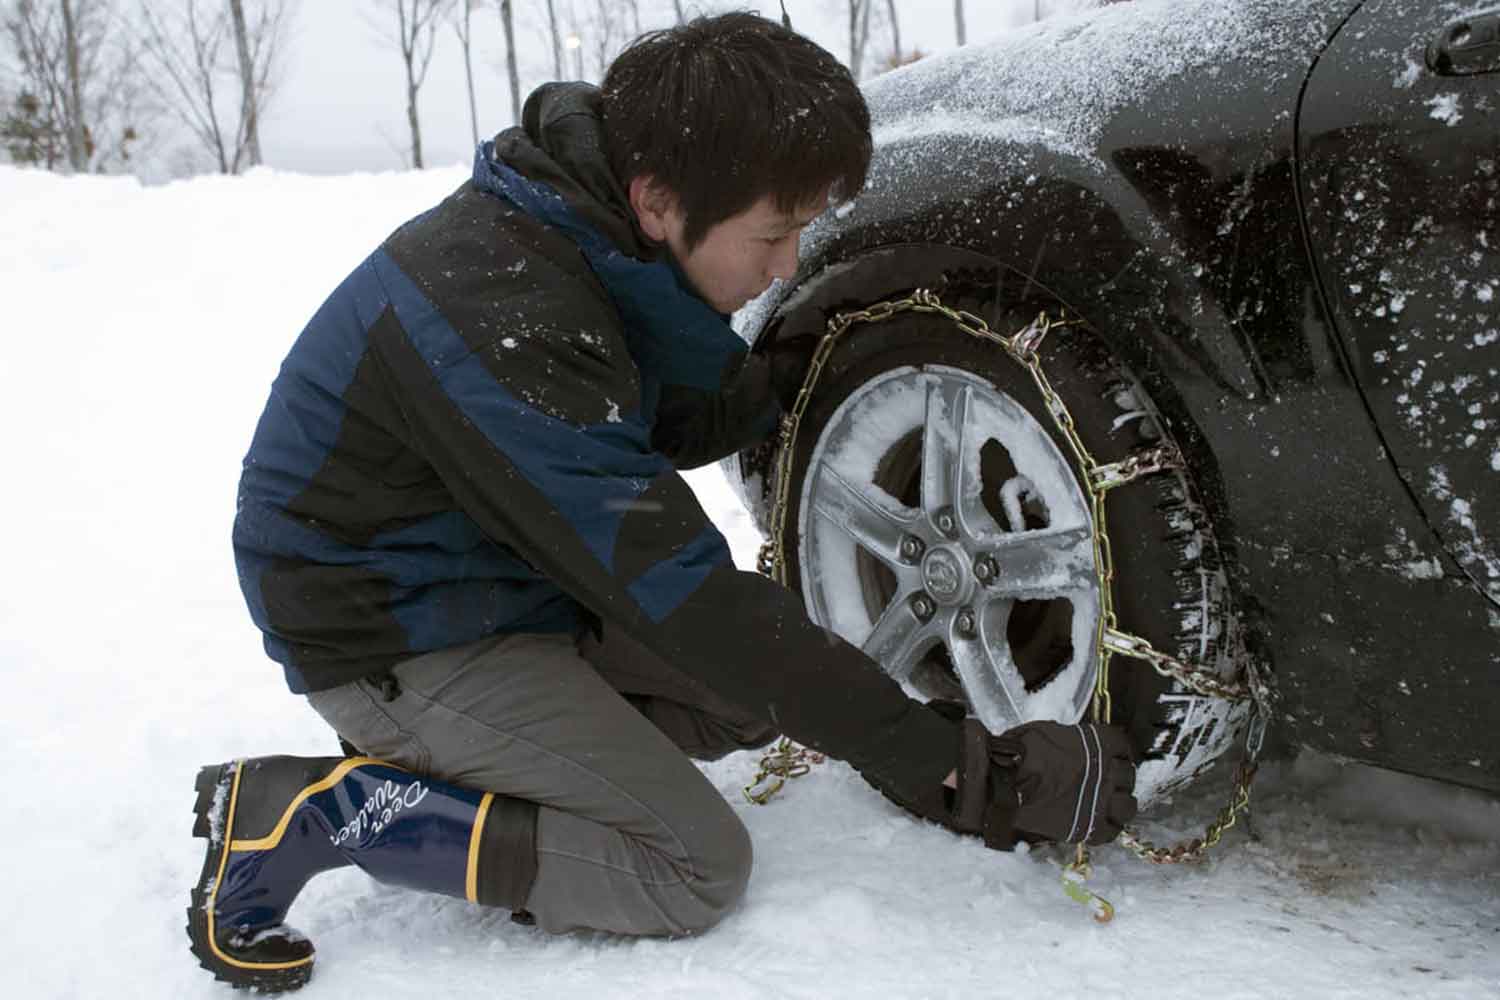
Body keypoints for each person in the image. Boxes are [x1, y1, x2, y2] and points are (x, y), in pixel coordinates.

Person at [188, 12, 1138, 993]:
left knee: (745, 694)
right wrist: (948, 762)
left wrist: (796, 368)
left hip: (497, 578)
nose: (787, 266)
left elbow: (675, 414)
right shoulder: (498, 314)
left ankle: (477, 761)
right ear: (656, 199)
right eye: (774, 234)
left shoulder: (586, 233)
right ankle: (320, 812)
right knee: (689, 866)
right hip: (394, 630)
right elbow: (677, 590)